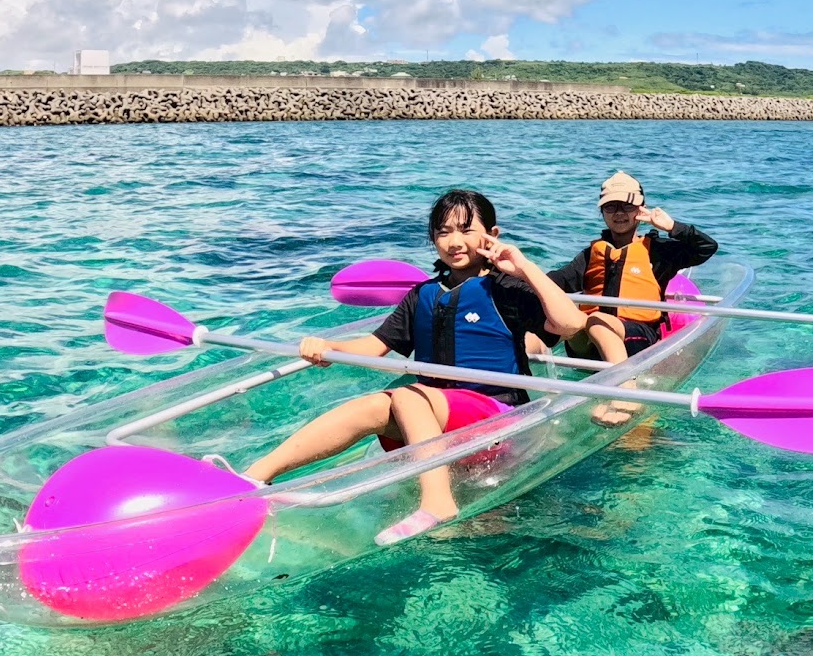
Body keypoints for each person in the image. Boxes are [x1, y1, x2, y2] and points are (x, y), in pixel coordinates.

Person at [244, 189, 586, 545]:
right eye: (443, 232)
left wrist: (524, 266)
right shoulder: (422, 295)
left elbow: (571, 325)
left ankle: (438, 504)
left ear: (492, 236)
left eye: (466, 230)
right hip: (433, 422)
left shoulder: (507, 289)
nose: (454, 242)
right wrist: (329, 346)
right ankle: (253, 479)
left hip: (499, 421)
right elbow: (373, 347)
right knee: (373, 405)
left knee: (409, 395)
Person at [542, 171, 718, 422]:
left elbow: (706, 248)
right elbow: (556, 281)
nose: (619, 213)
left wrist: (671, 227)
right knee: (569, 320)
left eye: (627, 205)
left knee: (597, 322)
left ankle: (626, 391)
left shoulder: (658, 252)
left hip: (638, 340)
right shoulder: (590, 255)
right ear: (602, 212)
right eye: (611, 206)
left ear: (640, 209)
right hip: (589, 348)